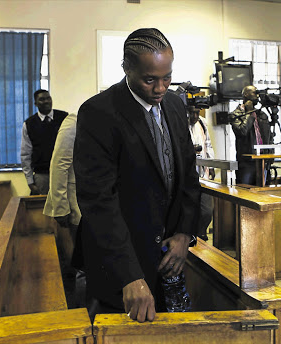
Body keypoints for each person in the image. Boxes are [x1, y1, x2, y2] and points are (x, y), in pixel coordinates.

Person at [73, 28, 200, 323]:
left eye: (167, 77)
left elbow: (188, 176)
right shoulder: (99, 112)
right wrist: (129, 275)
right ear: (126, 69)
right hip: (119, 260)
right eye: (149, 79)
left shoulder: (175, 104)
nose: (160, 88)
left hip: (168, 257)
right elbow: (98, 200)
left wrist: (185, 233)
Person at [43, 112, 84, 307]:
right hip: (77, 207)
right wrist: (60, 207)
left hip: (98, 205)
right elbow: (59, 164)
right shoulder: (75, 121)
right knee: (82, 266)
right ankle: (82, 312)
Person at [21, 89, 68, 195]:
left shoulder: (64, 118)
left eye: (48, 98)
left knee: (66, 208)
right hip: (42, 175)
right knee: (43, 208)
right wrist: (30, 181)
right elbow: (25, 154)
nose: (46, 101)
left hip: (64, 173)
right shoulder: (29, 124)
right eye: (42, 99)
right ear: (35, 103)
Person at [230, 85, 272, 185]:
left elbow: (269, 135)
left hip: (263, 160)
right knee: (246, 193)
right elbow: (242, 131)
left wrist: (271, 153)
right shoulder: (235, 114)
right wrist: (249, 113)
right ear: (245, 95)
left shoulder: (261, 114)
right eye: (254, 93)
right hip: (247, 162)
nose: (257, 96)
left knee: (265, 194)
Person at [188, 105, 215, 241]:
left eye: (197, 113)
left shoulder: (202, 123)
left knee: (206, 211)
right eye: (191, 113)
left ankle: (201, 234)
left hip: (203, 174)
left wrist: (211, 166)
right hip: (186, 177)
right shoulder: (180, 123)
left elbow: (208, 145)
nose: (194, 116)